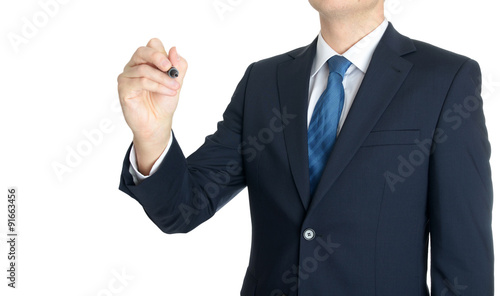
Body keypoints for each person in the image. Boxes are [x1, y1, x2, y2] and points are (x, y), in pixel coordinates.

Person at [117, 0, 494, 295]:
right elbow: (183, 209)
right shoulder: (263, 81)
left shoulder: (445, 80)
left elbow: (465, 259)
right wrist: (152, 134)